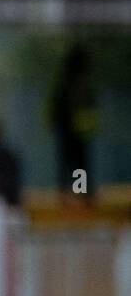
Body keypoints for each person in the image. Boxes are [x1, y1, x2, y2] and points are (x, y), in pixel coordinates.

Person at [47, 45, 98, 202]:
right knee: (77, 163)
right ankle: (77, 194)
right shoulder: (77, 84)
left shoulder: (67, 84)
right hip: (75, 130)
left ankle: (73, 193)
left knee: (71, 163)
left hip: (71, 130)